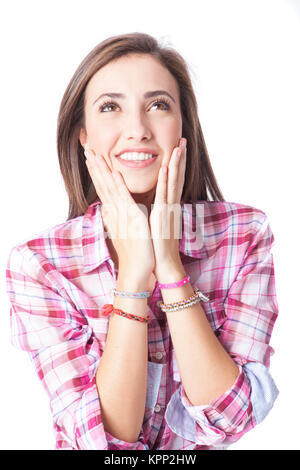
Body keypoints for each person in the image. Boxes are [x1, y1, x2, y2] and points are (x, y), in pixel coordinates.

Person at [6, 32, 279, 450]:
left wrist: (169, 268)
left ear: (182, 125)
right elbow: (103, 444)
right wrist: (134, 275)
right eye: (110, 107)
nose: (137, 130)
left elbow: (232, 416)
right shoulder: (39, 265)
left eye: (158, 105)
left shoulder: (243, 235)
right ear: (83, 134)